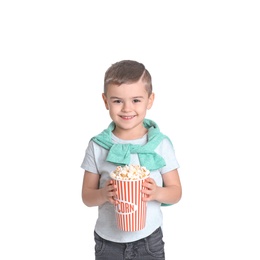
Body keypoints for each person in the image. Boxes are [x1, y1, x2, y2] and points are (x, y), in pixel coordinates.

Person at [81, 60, 182, 260]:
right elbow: (86, 196)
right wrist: (103, 194)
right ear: (105, 101)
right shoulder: (98, 145)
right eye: (118, 100)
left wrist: (157, 192)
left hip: (148, 240)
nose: (127, 108)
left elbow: (176, 192)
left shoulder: (160, 144)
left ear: (150, 100)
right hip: (108, 242)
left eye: (136, 100)